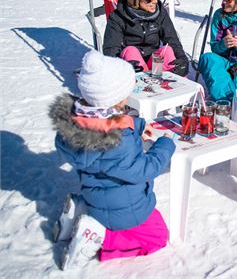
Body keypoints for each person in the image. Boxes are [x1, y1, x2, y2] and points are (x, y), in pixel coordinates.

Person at [49, 51, 175, 269]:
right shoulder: (118, 141)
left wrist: (136, 126)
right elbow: (143, 169)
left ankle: (81, 211)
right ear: (119, 97)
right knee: (158, 235)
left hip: (95, 196)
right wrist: (165, 145)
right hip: (124, 208)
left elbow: (112, 123)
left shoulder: (78, 121)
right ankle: (97, 237)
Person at [103, 0, 189, 76]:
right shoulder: (117, 17)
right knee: (130, 51)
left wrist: (182, 60)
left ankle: (175, 85)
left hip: (155, 64)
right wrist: (124, 66)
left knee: (167, 51)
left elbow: (172, 39)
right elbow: (111, 50)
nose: (154, 1)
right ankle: (138, 84)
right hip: (132, 64)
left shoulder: (160, 12)